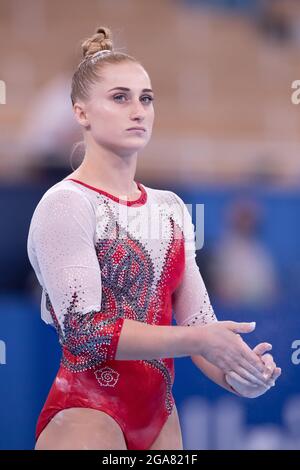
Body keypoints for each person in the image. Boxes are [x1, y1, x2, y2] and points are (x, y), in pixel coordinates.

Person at [27, 26, 281, 451]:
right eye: (120, 98)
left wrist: (241, 374)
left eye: (146, 98)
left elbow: (201, 326)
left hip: (161, 419)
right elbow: (85, 334)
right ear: (81, 113)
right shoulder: (66, 203)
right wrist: (198, 340)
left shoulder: (171, 208)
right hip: (87, 414)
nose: (138, 111)